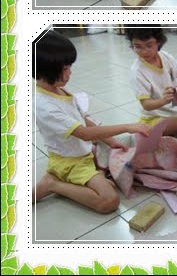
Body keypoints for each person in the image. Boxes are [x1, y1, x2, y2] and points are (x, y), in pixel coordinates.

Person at [33, 30, 150, 211]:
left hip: (84, 154)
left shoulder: (58, 90)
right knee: (109, 201)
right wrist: (128, 126)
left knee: (120, 154)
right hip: (70, 163)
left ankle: (82, 176)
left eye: (69, 67)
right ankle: (52, 184)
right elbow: (86, 134)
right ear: (45, 71)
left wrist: (112, 142)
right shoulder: (44, 105)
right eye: (64, 69)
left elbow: (84, 120)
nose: (70, 73)